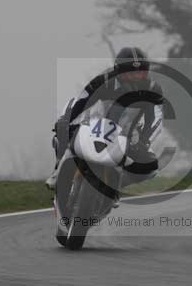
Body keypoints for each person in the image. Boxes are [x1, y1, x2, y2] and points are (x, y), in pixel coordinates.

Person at [45, 47, 164, 204]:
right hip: (92, 125)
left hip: (126, 133)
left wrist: (144, 140)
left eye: (140, 72)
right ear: (119, 71)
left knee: (151, 167)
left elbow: (156, 117)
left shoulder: (152, 89)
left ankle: (116, 185)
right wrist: (68, 121)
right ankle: (58, 170)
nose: (136, 77)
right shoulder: (103, 81)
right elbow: (81, 101)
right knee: (63, 131)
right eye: (131, 73)